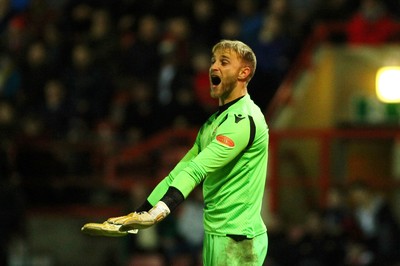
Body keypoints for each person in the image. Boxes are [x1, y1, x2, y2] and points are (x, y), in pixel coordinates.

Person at [82, 39, 270, 265]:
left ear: (244, 73)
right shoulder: (213, 123)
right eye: (213, 61)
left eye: (224, 62)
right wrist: (139, 215)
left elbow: (197, 170)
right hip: (217, 235)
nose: (213, 67)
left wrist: (158, 212)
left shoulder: (244, 119)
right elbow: (179, 172)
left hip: (239, 239)